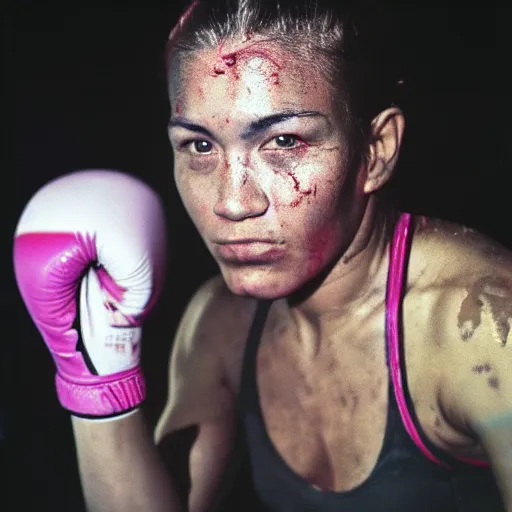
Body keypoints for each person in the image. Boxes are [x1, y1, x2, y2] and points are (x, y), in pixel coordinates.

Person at [13, 1, 511, 511]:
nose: (232, 203)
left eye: (284, 140)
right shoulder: (221, 323)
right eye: (200, 146)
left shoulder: (481, 328)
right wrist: (95, 379)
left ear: (376, 149)